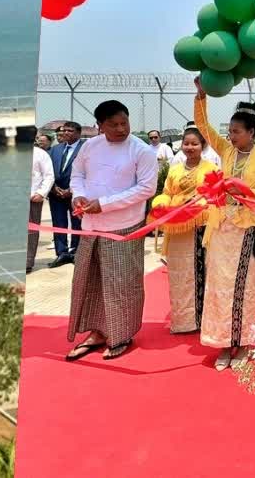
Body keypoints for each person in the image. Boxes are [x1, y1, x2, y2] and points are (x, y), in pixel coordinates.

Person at [193, 78, 255, 370]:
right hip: (221, 227)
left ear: (252, 132)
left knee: (243, 286)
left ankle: (241, 344)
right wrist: (201, 97)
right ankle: (221, 343)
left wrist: (245, 189)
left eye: (237, 132)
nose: (230, 137)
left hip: (247, 229)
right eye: (229, 131)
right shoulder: (226, 151)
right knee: (218, 286)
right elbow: (203, 128)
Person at [65, 101, 159, 361]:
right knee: (91, 280)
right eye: (113, 124)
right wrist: (79, 197)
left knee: (121, 284)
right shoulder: (90, 146)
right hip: (91, 227)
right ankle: (97, 331)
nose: (120, 128)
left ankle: (120, 335)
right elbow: (77, 176)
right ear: (100, 126)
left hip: (124, 227)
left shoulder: (141, 151)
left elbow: (146, 189)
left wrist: (104, 205)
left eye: (124, 123)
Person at [153, 128, 218, 334]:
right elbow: (166, 193)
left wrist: (199, 205)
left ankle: (203, 319)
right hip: (178, 228)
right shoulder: (174, 169)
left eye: (194, 144)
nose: (190, 148)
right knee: (179, 274)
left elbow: (216, 196)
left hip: (201, 226)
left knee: (202, 272)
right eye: (186, 144)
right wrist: (161, 204)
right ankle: (184, 321)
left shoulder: (211, 169)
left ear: (203, 146)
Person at [48, 122, 84, 267]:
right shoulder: (55, 149)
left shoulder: (85, 149)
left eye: (70, 130)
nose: (65, 133)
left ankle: (76, 252)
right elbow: (48, 171)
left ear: (78, 133)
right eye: (64, 130)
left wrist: (71, 190)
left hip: (76, 194)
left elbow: (88, 172)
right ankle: (61, 253)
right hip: (56, 194)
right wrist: (53, 188)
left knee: (78, 223)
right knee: (58, 223)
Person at [28, 141, 55, 274]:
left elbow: (49, 175)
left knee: (30, 232)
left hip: (32, 198)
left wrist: (41, 193)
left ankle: (27, 262)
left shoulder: (40, 154)